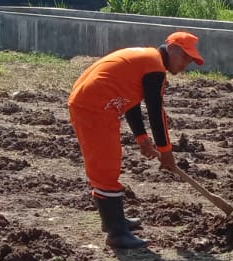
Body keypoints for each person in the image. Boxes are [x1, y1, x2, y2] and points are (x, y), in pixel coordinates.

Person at [67, 32, 204, 249]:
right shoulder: (155, 67)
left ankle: (115, 221)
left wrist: (142, 139)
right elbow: (155, 110)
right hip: (94, 107)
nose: (186, 64)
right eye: (185, 57)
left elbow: (132, 103)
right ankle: (116, 234)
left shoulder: (147, 61)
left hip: (99, 105)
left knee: (109, 164)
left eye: (190, 61)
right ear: (171, 49)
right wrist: (165, 151)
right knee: (106, 167)